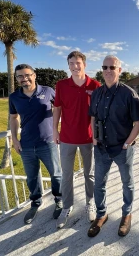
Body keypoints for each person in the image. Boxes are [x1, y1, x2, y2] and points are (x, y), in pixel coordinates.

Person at [87, 55, 139, 238]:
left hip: (122, 148)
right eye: (105, 67)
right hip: (101, 147)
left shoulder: (129, 94)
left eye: (112, 67)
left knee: (127, 182)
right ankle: (101, 214)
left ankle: (127, 214)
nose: (108, 71)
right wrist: (94, 138)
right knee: (99, 184)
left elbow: (138, 123)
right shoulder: (97, 92)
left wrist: (128, 143)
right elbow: (93, 117)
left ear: (120, 70)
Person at [9, 64, 62, 224]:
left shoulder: (48, 91)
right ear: (17, 79)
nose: (24, 79)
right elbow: (13, 118)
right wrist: (15, 140)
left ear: (34, 75)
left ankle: (59, 200)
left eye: (27, 75)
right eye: (20, 76)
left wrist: (58, 129)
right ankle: (36, 203)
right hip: (26, 144)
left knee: (56, 175)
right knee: (32, 178)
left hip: (47, 142)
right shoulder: (14, 97)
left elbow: (60, 108)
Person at [53, 51, 101, 229]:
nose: (75, 66)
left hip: (88, 138)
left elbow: (98, 114)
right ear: (68, 65)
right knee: (66, 175)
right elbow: (57, 108)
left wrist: (96, 135)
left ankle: (90, 203)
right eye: (71, 63)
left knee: (90, 174)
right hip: (66, 138)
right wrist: (55, 131)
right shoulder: (61, 85)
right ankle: (67, 206)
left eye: (78, 63)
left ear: (84, 64)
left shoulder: (95, 85)